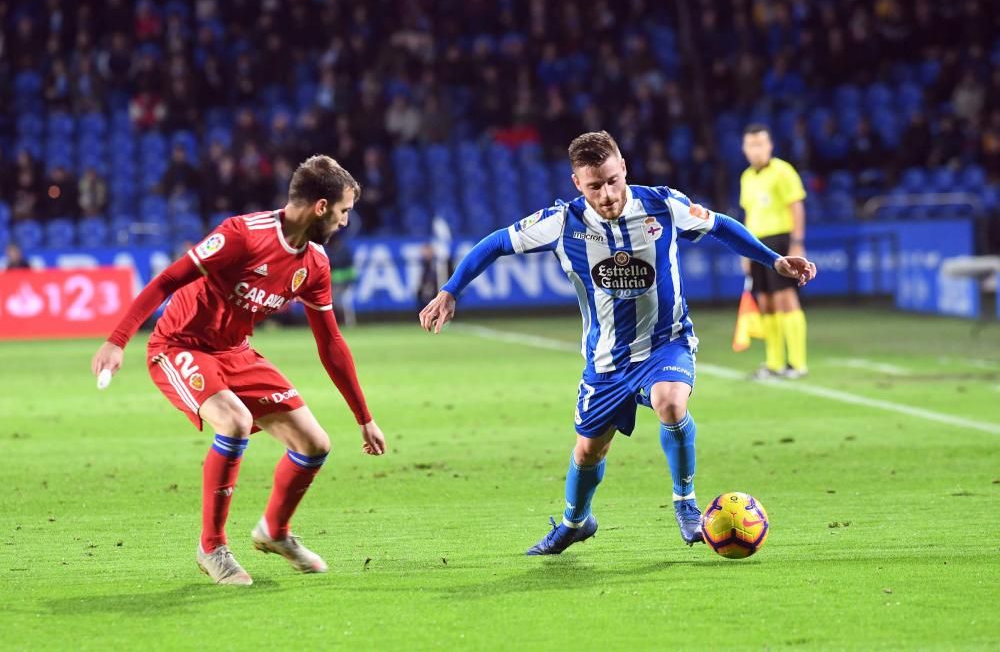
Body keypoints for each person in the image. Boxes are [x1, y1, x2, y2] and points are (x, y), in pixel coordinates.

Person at [419, 131, 816, 555]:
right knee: (589, 451)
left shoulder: (663, 204)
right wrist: (450, 290)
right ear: (577, 183)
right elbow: (496, 243)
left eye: (612, 180)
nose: (607, 194)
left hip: (666, 342)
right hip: (606, 360)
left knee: (671, 403)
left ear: (623, 167)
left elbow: (720, 225)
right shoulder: (562, 222)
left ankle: (685, 502)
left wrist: (773, 259)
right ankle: (575, 522)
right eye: (594, 186)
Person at [91, 155, 386, 585]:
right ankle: (212, 547)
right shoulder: (242, 236)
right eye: (343, 211)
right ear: (321, 207)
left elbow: (331, 344)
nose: (345, 221)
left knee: (315, 443)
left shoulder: (315, 264)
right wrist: (117, 340)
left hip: (236, 351)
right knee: (234, 421)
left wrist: (364, 418)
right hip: (180, 345)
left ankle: (274, 532)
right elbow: (167, 280)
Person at [739, 123, 810, 379]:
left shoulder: (783, 171)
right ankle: (774, 362)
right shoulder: (746, 177)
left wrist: (797, 242)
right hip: (757, 244)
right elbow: (748, 215)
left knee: (785, 298)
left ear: (770, 146)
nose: (756, 149)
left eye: (760, 143)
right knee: (766, 301)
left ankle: (798, 363)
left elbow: (796, 207)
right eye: (751, 144)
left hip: (780, 241)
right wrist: (745, 252)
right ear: (744, 149)